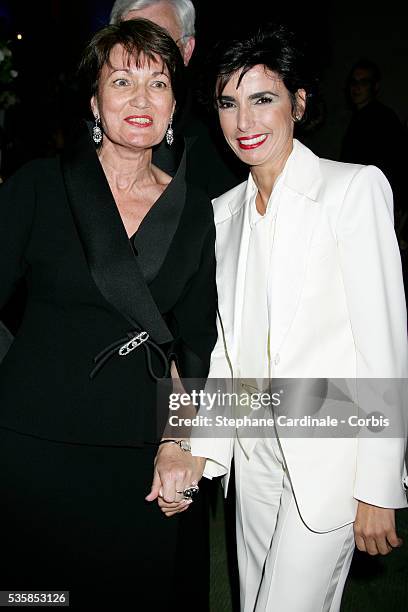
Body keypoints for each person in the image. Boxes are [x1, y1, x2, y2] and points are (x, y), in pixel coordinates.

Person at [160, 24, 408, 612]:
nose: (244, 122)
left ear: (298, 102)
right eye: (228, 103)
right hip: (253, 456)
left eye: (262, 98)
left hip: (330, 451)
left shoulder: (353, 190)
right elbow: (225, 348)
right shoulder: (223, 214)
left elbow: (383, 343)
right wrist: (202, 449)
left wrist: (378, 483)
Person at [0, 19, 216, 610]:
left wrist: (178, 439)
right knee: (34, 598)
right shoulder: (40, 186)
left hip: (137, 454)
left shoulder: (194, 211)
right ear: (95, 101)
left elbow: (194, 346)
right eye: (122, 81)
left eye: (158, 84)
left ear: (175, 105)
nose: (141, 100)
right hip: (31, 442)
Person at [110, 0, 247, 197]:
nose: (143, 59)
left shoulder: (221, 147)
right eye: (131, 41)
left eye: (160, 42)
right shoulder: (70, 165)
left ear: (186, 50)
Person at [340, 58, 407, 240]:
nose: (357, 87)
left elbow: (396, 162)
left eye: (363, 82)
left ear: (375, 87)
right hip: (362, 202)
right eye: (354, 82)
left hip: (375, 202)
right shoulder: (359, 119)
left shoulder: (382, 118)